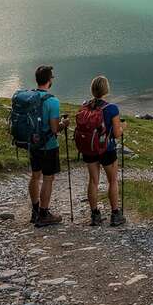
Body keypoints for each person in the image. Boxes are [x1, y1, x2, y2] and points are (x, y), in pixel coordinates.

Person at [78, 75, 125, 227]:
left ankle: (95, 215)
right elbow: (117, 134)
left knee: (93, 181)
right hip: (107, 149)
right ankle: (115, 214)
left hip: (89, 148)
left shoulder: (85, 105)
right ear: (106, 90)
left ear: (92, 89)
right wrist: (123, 127)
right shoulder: (111, 108)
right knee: (112, 181)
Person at [27, 65, 68, 227]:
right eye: (52, 77)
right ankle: (44, 214)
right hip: (48, 146)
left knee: (35, 176)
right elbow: (54, 128)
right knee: (48, 178)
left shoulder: (29, 97)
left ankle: (35, 210)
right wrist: (64, 124)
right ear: (49, 80)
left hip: (33, 144)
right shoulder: (52, 101)